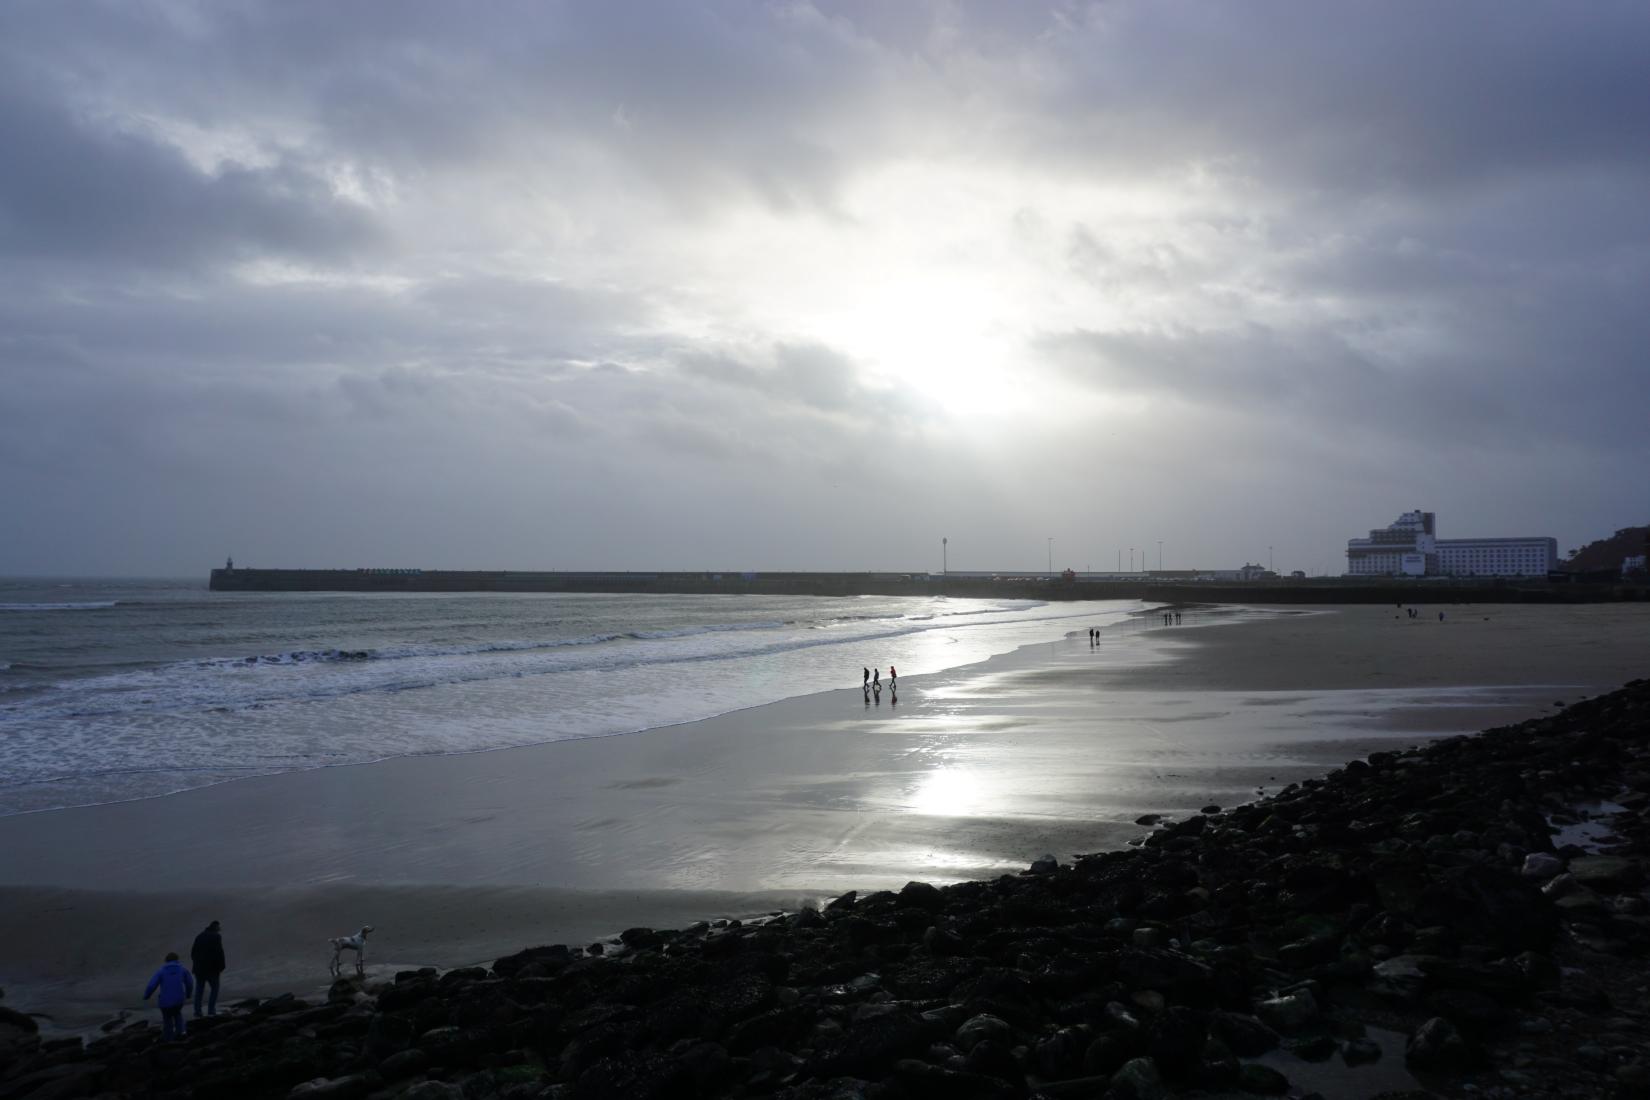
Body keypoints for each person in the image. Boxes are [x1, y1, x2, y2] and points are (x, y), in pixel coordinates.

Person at [143, 951, 194, 1041]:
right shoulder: (183, 969)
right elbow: (189, 983)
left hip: (165, 1002)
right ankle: (181, 1033)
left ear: (166, 961)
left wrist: (147, 995)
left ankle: (168, 1038)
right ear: (177, 960)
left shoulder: (161, 971)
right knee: (177, 1014)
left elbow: (151, 985)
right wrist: (188, 994)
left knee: (167, 1019)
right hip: (179, 1000)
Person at [190, 919, 226, 1017]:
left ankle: (197, 1011)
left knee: (199, 990)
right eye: (219, 927)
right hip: (212, 969)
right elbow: (219, 952)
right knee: (215, 988)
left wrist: (196, 964)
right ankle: (211, 1010)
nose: (219, 929)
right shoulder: (216, 937)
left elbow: (193, 953)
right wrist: (222, 966)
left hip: (199, 969)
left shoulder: (199, 936)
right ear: (216, 927)